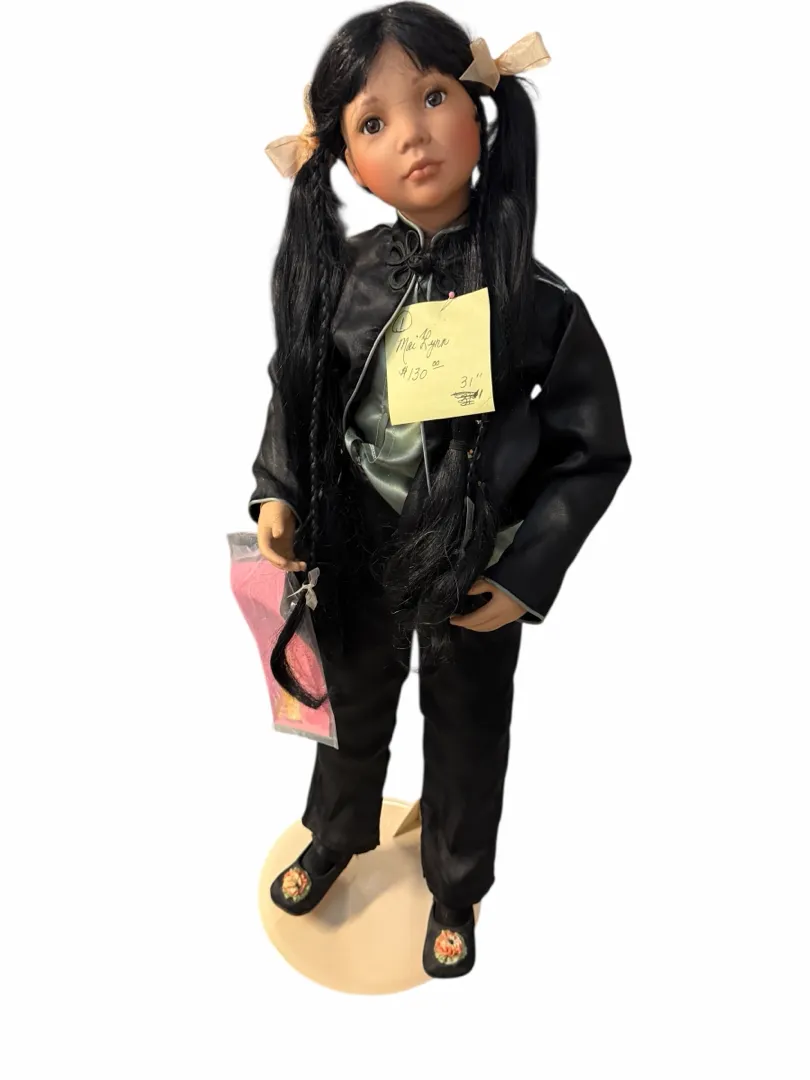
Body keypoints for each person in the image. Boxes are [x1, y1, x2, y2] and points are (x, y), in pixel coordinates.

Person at [246, 2, 632, 979]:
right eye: (374, 121)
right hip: (357, 544)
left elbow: (592, 450)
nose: (412, 135)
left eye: (431, 98)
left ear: (479, 109)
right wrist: (278, 492)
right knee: (349, 709)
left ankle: (456, 885)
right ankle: (336, 836)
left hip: (476, 555)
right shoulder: (345, 280)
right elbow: (299, 390)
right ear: (345, 157)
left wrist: (527, 573)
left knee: (466, 730)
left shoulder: (537, 303)